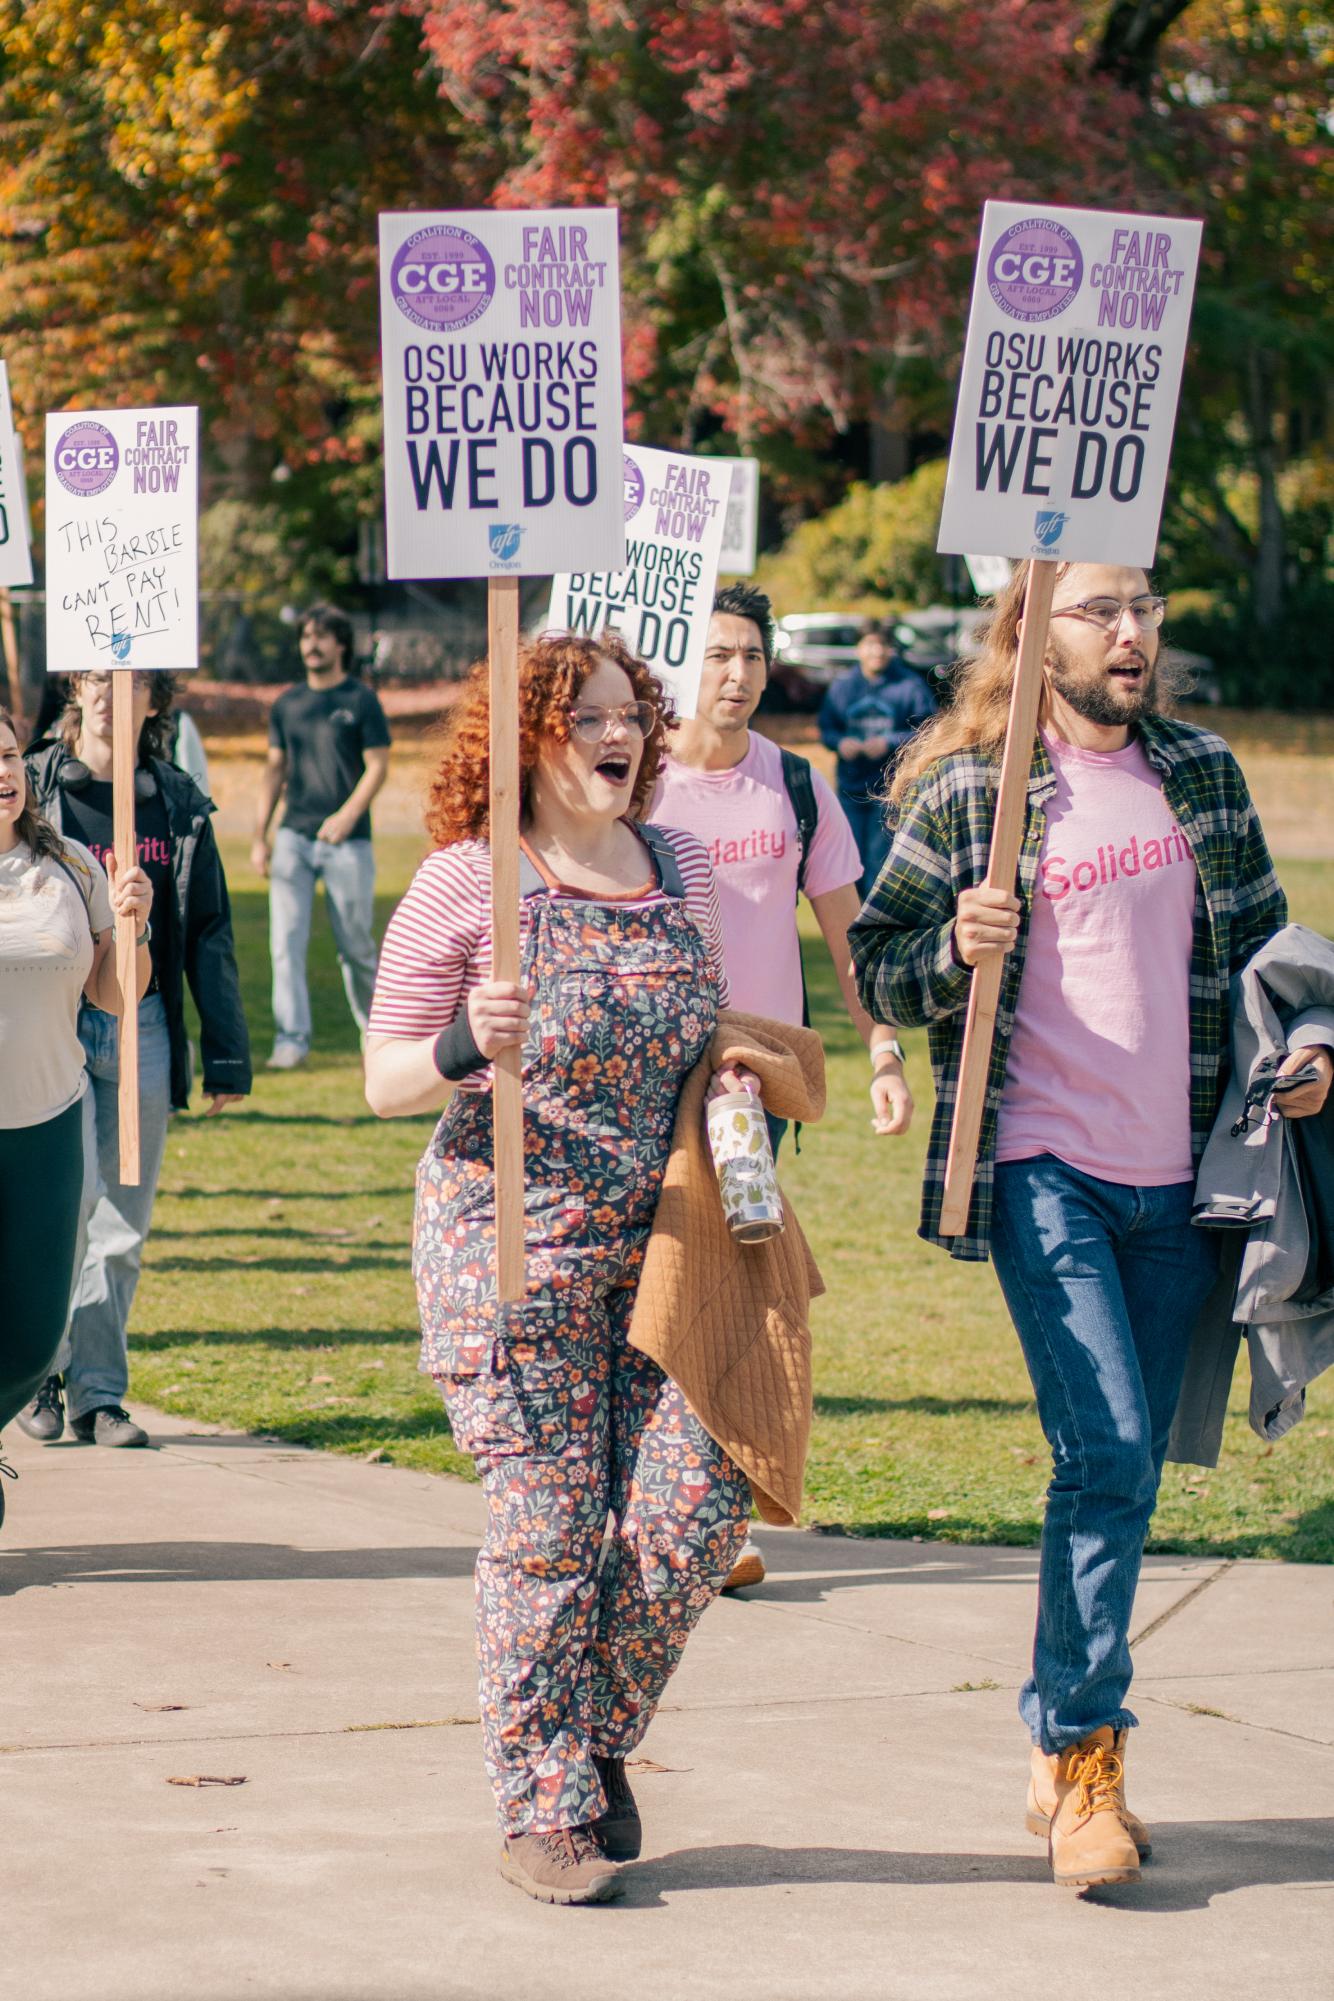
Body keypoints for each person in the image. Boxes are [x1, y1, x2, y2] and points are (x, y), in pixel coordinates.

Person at [850, 560, 1333, 1891]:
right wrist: (952, 943)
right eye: (1096, 610)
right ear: (1028, 629)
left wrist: (1310, 1051)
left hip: (1182, 1177)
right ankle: (1085, 1757)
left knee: (1117, 1469)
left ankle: (1058, 1734)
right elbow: (874, 965)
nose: (1129, 634)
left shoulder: (1200, 771)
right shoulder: (971, 794)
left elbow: (1271, 960)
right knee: (1107, 1444)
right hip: (1039, 1167)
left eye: (1142, 608)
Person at [364, 631, 754, 1906]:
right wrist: (467, 1044)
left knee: (697, 1506)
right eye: (582, 712)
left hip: (663, 1253)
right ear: (524, 735)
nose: (618, 731)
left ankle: (585, 1729)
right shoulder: (467, 883)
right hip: (509, 1246)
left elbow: (707, 1038)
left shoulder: (679, 862)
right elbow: (383, 1083)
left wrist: (737, 1079)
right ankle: (542, 1809)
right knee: (547, 1533)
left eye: (629, 710)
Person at [651, 583, 914, 1590]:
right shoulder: (633, 784)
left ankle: (718, 1523)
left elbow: (853, 942)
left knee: (740, 1296)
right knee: (658, 1297)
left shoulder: (793, 786)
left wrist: (882, 1052)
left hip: (746, 1097)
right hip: (649, 1082)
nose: (736, 674)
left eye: (751, 656)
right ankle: (658, 1508)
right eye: (716, 654)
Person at [19, 671, 251, 1449]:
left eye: (132, 684)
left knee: (123, 1222)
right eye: (96, 680)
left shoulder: (177, 801)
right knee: (69, 1212)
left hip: (140, 1019)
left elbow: (211, 928)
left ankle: (98, 1392)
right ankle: (38, 1375)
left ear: (156, 700)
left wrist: (227, 1055)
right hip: (58, 1022)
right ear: (75, 691)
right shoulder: (38, 779)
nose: (113, 696)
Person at [0, 706, 152, 1520]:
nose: (3, 771)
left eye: (10, 754)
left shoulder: (72, 866)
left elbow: (116, 995)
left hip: (49, 1123)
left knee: (32, 1332)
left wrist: (136, 922)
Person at [252, 603, 391, 1068]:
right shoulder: (287, 704)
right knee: (284, 944)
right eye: (306, 636)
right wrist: (260, 835)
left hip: (347, 843)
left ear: (341, 644)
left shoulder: (361, 700)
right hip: (294, 837)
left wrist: (348, 816)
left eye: (321, 636)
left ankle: (378, 1037)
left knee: (355, 946)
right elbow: (274, 770)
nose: (311, 644)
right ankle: (292, 1039)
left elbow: (378, 766)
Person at [818, 620, 936, 896]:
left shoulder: (910, 686)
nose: (877, 652)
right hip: (851, 787)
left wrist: (889, 742)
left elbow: (929, 732)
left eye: (883, 645)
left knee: (878, 859)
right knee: (850, 857)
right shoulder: (843, 686)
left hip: (889, 789)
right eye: (870, 645)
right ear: (859, 649)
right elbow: (827, 729)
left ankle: (876, 924)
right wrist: (840, 743)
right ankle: (851, 920)